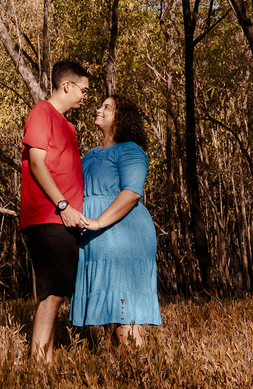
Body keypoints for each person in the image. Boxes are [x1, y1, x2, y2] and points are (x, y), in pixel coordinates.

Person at [71, 94, 161, 345]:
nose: (99, 110)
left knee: (126, 314)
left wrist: (99, 221)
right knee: (114, 313)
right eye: (101, 106)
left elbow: (132, 192)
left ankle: (140, 375)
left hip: (124, 235)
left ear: (121, 118)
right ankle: (121, 375)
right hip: (95, 238)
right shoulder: (90, 154)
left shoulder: (130, 150)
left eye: (106, 107)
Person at [19, 60, 93, 361]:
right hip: (48, 216)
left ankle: (46, 361)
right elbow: (36, 163)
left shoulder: (68, 125)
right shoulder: (42, 113)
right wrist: (63, 206)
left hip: (65, 220)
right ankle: (37, 363)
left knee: (59, 291)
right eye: (84, 90)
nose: (86, 96)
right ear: (67, 86)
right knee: (51, 293)